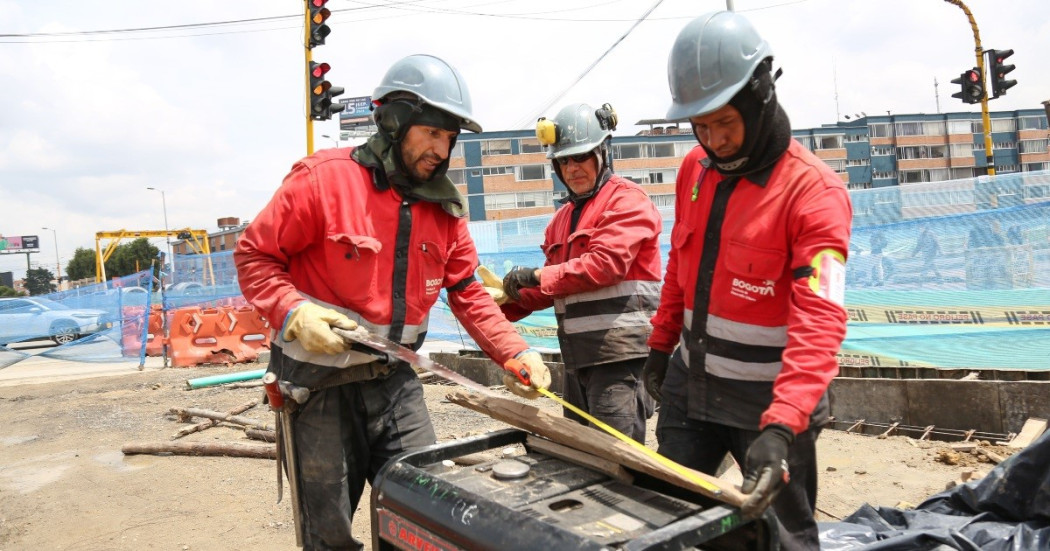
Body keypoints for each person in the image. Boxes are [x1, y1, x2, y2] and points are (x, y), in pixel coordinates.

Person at [234, 54, 551, 551]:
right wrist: (292, 312)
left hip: (394, 383)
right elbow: (255, 255)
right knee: (329, 533)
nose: (441, 149)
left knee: (425, 514)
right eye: (431, 133)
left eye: (449, 138)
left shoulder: (444, 210)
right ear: (395, 119)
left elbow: (466, 289)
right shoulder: (323, 181)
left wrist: (513, 351)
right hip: (317, 388)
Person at [642, 12, 851, 551]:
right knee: (667, 518)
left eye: (725, 123)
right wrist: (661, 347)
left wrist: (782, 426)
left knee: (785, 537)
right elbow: (681, 267)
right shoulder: (696, 169)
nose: (714, 140)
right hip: (693, 387)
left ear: (760, 96)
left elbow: (820, 319)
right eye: (700, 126)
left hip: (770, 403)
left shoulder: (814, 194)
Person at [487, 102, 663, 443]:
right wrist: (498, 304)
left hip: (621, 358)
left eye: (580, 157)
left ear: (602, 153)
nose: (572, 168)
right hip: (577, 360)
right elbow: (555, 285)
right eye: (564, 160)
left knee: (616, 461)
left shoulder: (627, 201)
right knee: (583, 454)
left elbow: (605, 266)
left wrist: (533, 276)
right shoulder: (560, 220)